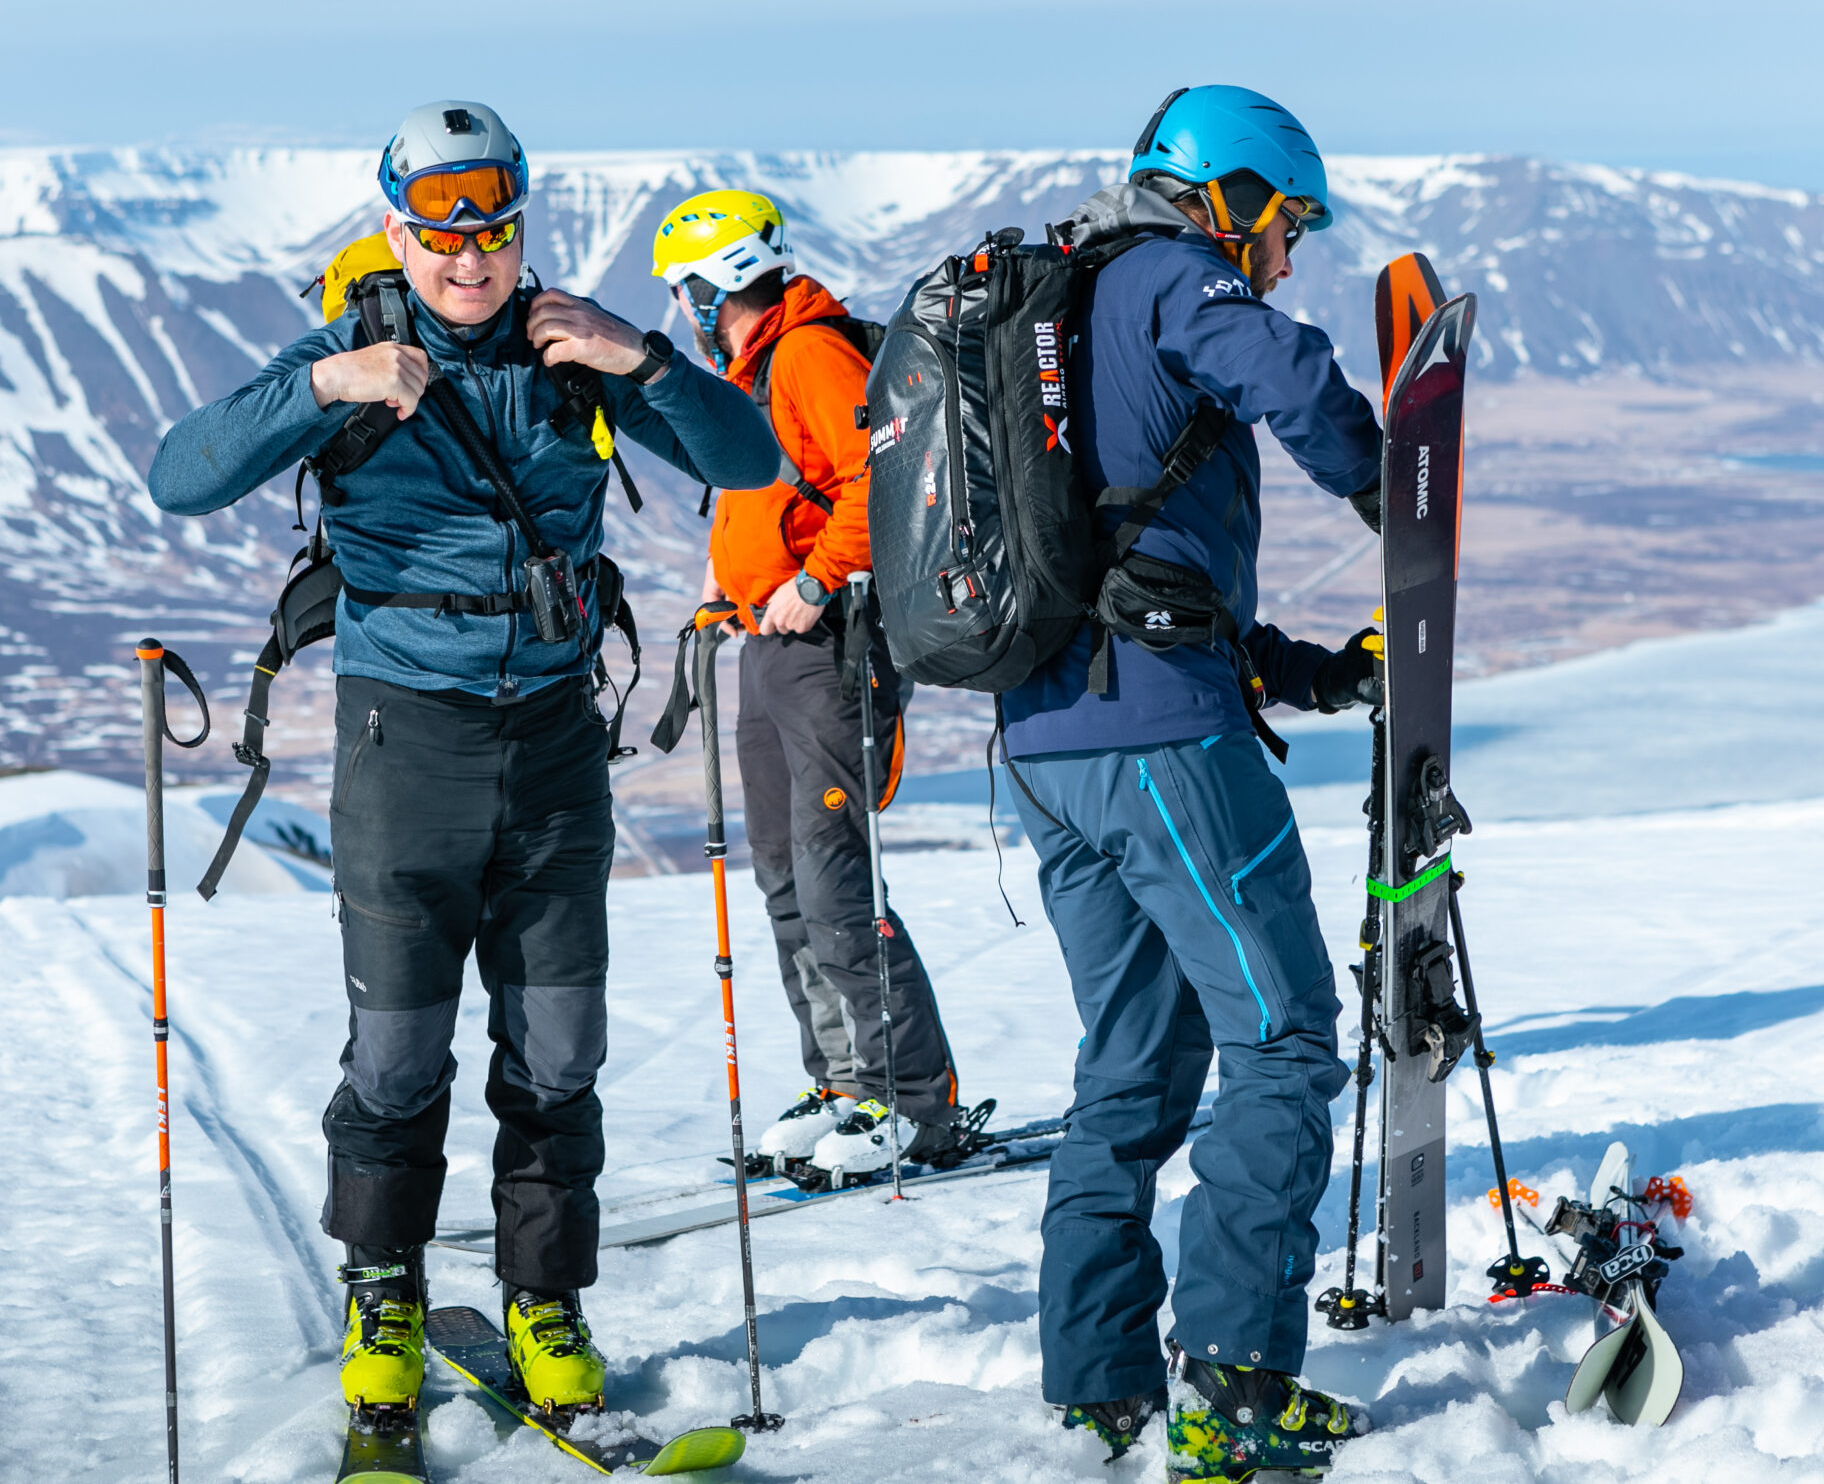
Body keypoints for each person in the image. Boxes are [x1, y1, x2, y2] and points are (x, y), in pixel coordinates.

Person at [148, 102, 779, 1420]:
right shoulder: (347, 353)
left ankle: (545, 1300)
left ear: (520, 227)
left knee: (559, 1050)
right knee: (397, 1053)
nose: (469, 257)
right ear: (399, 234)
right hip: (405, 741)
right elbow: (181, 474)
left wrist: (641, 357)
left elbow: (749, 455)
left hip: (552, 743)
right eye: (440, 233)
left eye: (491, 230)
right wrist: (326, 386)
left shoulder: (573, 349)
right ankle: (383, 1291)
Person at [997, 86, 1385, 1478]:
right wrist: (1391, 484)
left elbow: (1131, 565)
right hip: (1159, 746)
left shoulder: (1065, 304)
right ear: (1229, 197)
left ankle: (1099, 1375)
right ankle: (1234, 1378)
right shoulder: (1173, 274)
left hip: (1048, 746)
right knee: (1281, 1040)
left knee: (1133, 1063)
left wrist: (1306, 674)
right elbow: (1292, 382)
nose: (1285, 257)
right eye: (1285, 225)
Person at [650, 188, 966, 1179]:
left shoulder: (806, 355)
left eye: (686, 288)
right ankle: (840, 1082)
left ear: (718, 282)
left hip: (830, 641)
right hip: (767, 641)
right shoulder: (754, 372)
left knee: (832, 876)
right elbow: (768, 499)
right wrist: (729, 585)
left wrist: (819, 579)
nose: (684, 308)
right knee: (785, 873)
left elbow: (879, 479)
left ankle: (911, 1099)